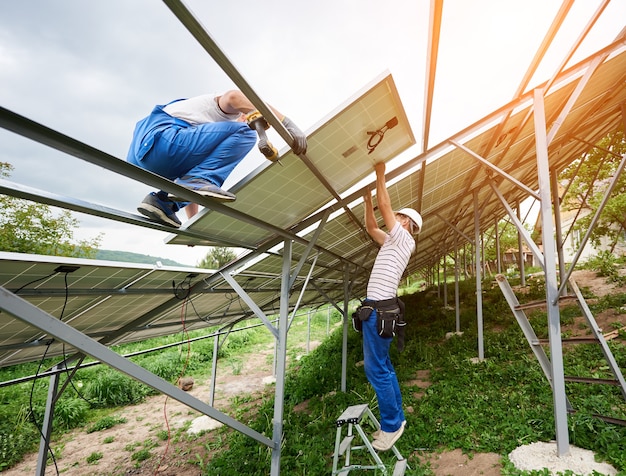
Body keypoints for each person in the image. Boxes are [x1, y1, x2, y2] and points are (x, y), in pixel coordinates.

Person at [126, 90, 307, 228]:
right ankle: (192, 185)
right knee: (245, 134)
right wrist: (285, 123)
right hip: (164, 142)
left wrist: (192, 222)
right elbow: (234, 96)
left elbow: (193, 187)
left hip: (145, 160)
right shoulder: (224, 110)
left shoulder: (203, 136)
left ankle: (162, 202)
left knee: (197, 179)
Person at [361, 161, 422, 452]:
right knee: (383, 366)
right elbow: (372, 225)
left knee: (376, 370)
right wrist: (367, 200)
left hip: (379, 311)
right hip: (379, 310)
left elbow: (385, 211)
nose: (394, 218)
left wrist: (381, 174)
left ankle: (391, 426)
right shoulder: (392, 242)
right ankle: (396, 420)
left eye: (399, 217)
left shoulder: (403, 238)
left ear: (407, 223)